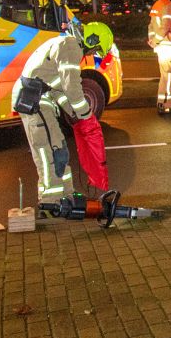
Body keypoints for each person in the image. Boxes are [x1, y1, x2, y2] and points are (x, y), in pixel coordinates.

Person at [13, 19, 113, 203]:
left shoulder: (65, 45)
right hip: (34, 101)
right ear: (91, 40)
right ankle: (50, 202)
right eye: (94, 50)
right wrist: (84, 114)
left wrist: (74, 113)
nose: (91, 54)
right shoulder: (70, 46)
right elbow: (72, 86)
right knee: (47, 152)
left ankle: (66, 194)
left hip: (41, 100)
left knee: (59, 149)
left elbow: (59, 88)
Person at [148, 0, 171, 114]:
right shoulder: (168, 6)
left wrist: (152, 40)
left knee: (167, 75)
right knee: (168, 76)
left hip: (161, 46)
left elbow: (151, 26)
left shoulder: (157, 5)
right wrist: (156, 41)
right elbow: (166, 26)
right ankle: (165, 103)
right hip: (167, 46)